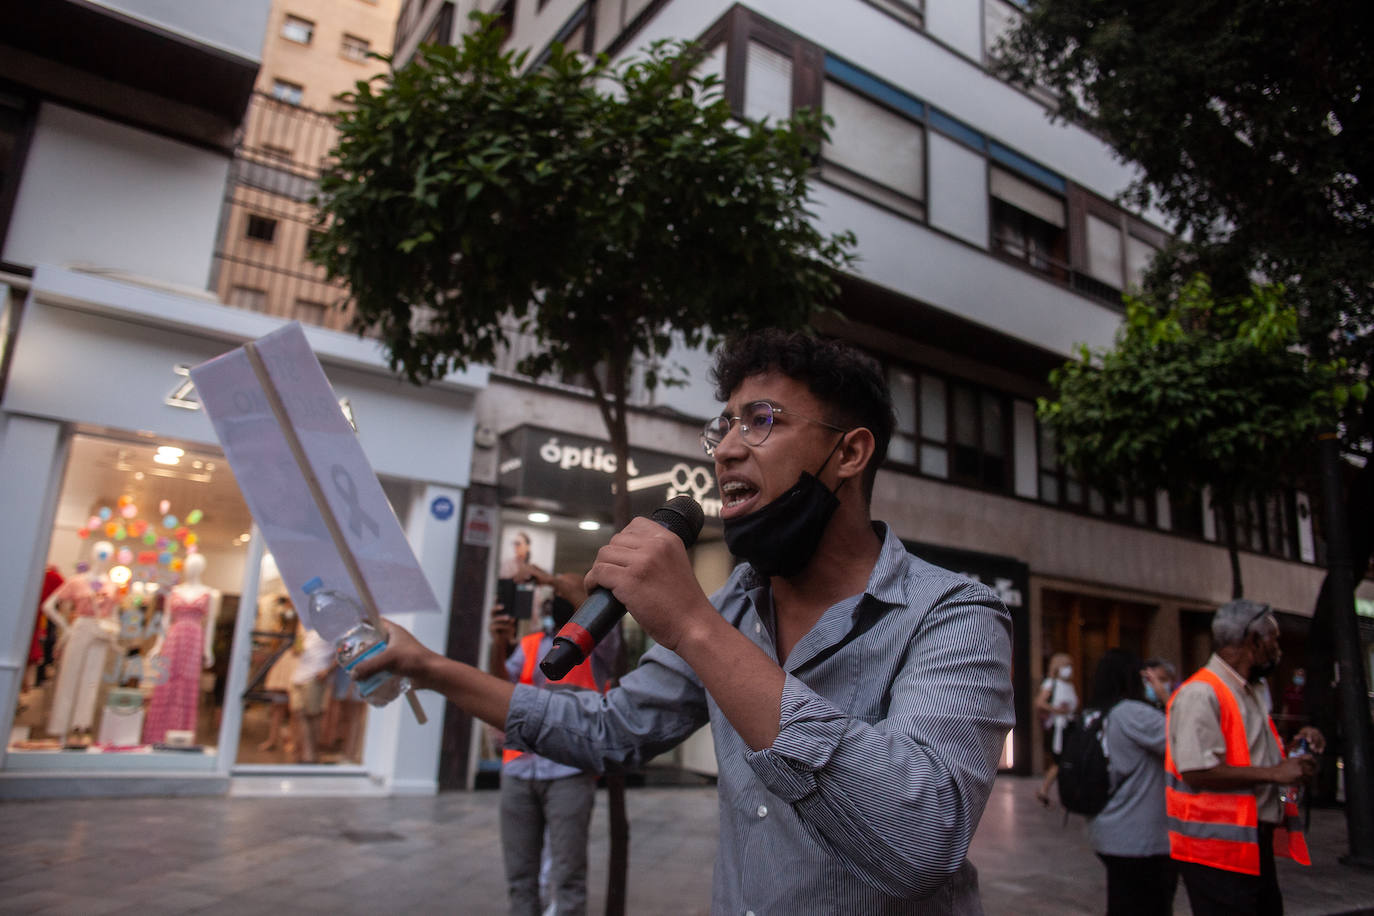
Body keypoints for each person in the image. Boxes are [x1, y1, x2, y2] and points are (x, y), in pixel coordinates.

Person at [357, 330, 1015, 913]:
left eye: (761, 420)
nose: (726, 448)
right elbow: (609, 730)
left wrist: (694, 627)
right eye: (722, 426)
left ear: (850, 454)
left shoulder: (953, 617)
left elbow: (922, 839)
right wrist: (426, 666)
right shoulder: (737, 605)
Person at [1165, 599, 1325, 916]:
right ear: (1252, 641)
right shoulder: (1201, 693)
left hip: (1248, 845)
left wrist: (1295, 752)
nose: (1277, 649)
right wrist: (1276, 774)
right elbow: (1197, 771)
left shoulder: (1248, 691)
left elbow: (1257, 756)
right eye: (1273, 639)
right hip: (1216, 852)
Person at [487, 575, 619, 916]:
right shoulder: (531, 644)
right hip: (519, 768)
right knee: (519, 877)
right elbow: (500, 688)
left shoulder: (597, 643)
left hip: (569, 770)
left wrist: (546, 577)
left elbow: (581, 598)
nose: (551, 608)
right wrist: (497, 646)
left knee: (568, 876)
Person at [1087, 648, 1177, 915]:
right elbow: (1185, 740)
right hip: (1140, 836)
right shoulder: (1133, 714)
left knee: (1122, 902)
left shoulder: (1095, 713)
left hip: (1107, 827)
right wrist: (1167, 698)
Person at [1034, 651, 1078, 805]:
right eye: (1066, 666)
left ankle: (1045, 790)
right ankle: (1045, 790)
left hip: (1070, 725)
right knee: (1061, 760)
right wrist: (1056, 710)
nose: (1069, 669)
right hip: (1059, 727)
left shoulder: (1070, 685)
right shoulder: (1051, 684)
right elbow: (1039, 702)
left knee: (1063, 760)